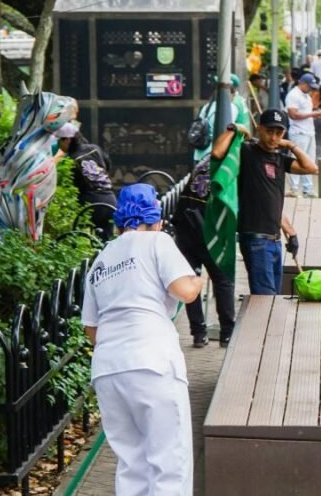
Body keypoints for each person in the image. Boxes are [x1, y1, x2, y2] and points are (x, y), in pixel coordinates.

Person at [81, 183, 204, 496]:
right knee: (169, 462)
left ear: (119, 224)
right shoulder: (157, 241)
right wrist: (198, 280)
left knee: (132, 464)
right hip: (152, 360)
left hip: (108, 369)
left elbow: (92, 329)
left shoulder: (101, 260)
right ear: (157, 220)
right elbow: (185, 291)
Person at [210, 109, 317, 295]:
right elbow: (217, 153)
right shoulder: (247, 151)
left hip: (275, 240)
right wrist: (233, 129)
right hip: (255, 239)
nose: (273, 137)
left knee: (274, 297)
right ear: (259, 129)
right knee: (265, 298)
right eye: (269, 131)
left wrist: (291, 145)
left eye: (279, 133)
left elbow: (311, 168)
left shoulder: (280, 159)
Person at [171, 155, 236, 347]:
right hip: (207, 228)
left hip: (185, 223)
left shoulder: (207, 159)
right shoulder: (232, 165)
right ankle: (227, 333)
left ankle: (198, 333)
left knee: (191, 279)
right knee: (223, 280)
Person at [55, 123, 117, 241]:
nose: (58, 145)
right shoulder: (95, 148)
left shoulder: (70, 160)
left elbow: (70, 187)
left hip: (90, 204)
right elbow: (108, 165)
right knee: (106, 241)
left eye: (59, 141)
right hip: (110, 200)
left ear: (67, 140)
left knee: (84, 239)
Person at [285, 73, 321, 197]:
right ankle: (294, 188)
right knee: (297, 160)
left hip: (309, 132)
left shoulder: (306, 96)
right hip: (298, 132)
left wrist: (313, 114)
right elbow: (293, 114)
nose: (311, 89)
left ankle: (308, 188)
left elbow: (304, 112)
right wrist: (312, 114)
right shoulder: (293, 95)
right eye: (309, 86)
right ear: (302, 83)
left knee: (309, 161)